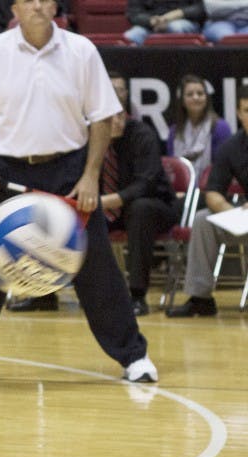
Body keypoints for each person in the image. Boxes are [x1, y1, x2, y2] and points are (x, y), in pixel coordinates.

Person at [0, 0, 158, 385]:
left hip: (69, 171)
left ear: (55, 6)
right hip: (4, 174)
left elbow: (101, 117)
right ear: (14, 6)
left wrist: (90, 176)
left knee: (96, 264)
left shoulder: (81, 51)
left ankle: (133, 356)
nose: (37, 5)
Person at [166, 83, 248, 317]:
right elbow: (212, 191)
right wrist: (232, 214)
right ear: (240, 114)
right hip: (245, 216)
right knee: (203, 219)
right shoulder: (233, 146)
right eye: (247, 110)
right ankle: (200, 298)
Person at [103, 110, 184, 316]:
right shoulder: (86, 138)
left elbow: (146, 184)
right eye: (110, 117)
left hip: (157, 207)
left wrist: (108, 201)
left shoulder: (142, 134)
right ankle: (46, 294)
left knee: (140, 209)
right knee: (64, 211)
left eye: (120, 115)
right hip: (108, 210)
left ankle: (138, 296)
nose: (117, 121)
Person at [167, 74, 232, 182]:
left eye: (200, 93)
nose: (195, 97)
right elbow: (172, 169)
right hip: (180, 192)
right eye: (190, 94)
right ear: (182, 100)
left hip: (211, 190)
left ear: (206, 97)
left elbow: (223, 168)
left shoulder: (220, 128)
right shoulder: (174, 131)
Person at [123, 0, 205, 44]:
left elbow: (200, 9)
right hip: (151, 25)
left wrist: (171, 16)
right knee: (131, 36)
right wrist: (152, 21)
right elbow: (133, 14)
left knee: (175, 27)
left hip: (183, 20)